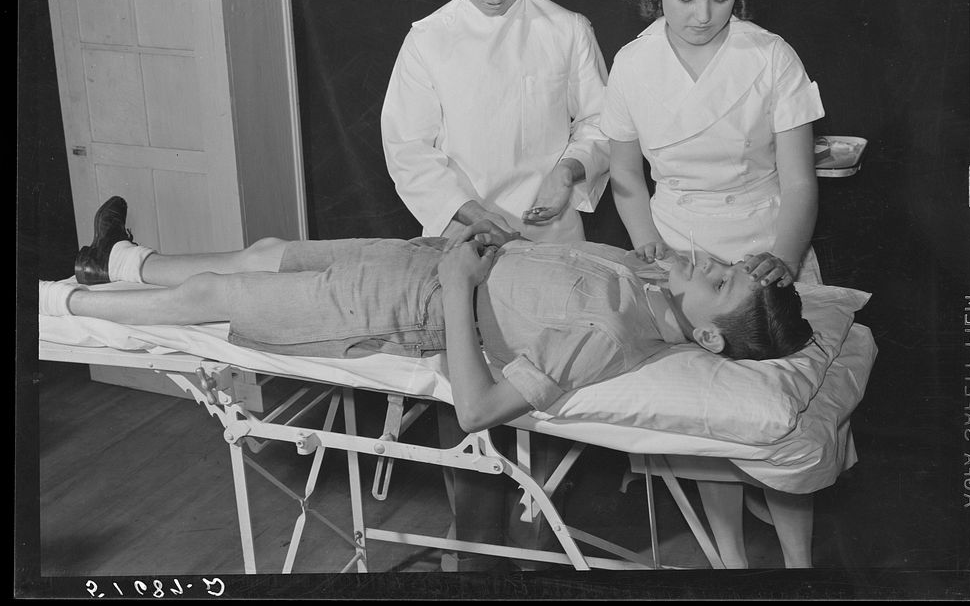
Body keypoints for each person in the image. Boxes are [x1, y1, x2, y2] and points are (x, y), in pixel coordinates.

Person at [43, 195, 813, 433]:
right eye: (722, 262)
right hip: (410, 256)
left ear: (707, 334)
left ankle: (61, 306)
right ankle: (114, 264)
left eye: (718, 281)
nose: (706, 262)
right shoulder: (642, 282)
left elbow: (477, 409)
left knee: (211, 302)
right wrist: (487, 238)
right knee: (262, 250)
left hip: (398, 302)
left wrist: (455, 282)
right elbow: (531, 274)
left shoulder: (613, 335)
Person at [379, 0, 610, 569]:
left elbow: (600, 122)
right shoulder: (429, 39)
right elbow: (408, 147)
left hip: (552, 239)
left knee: (548, 388)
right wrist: (465, 209)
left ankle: (546, 538)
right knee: (470, 383)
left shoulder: (566, 29)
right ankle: (478, 544)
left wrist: (567, 171)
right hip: (469, 237)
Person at [600, 0, 826, 567]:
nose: (702, 14)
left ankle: (797, 560)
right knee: (704, 418)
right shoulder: (633, 65)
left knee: (779, 423)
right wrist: (652, 254)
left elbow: (798, 181)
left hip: (767, 242)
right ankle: (727, 552)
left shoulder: (772, 58)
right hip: (682, 253)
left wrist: (781, 259)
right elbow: (628, 180)